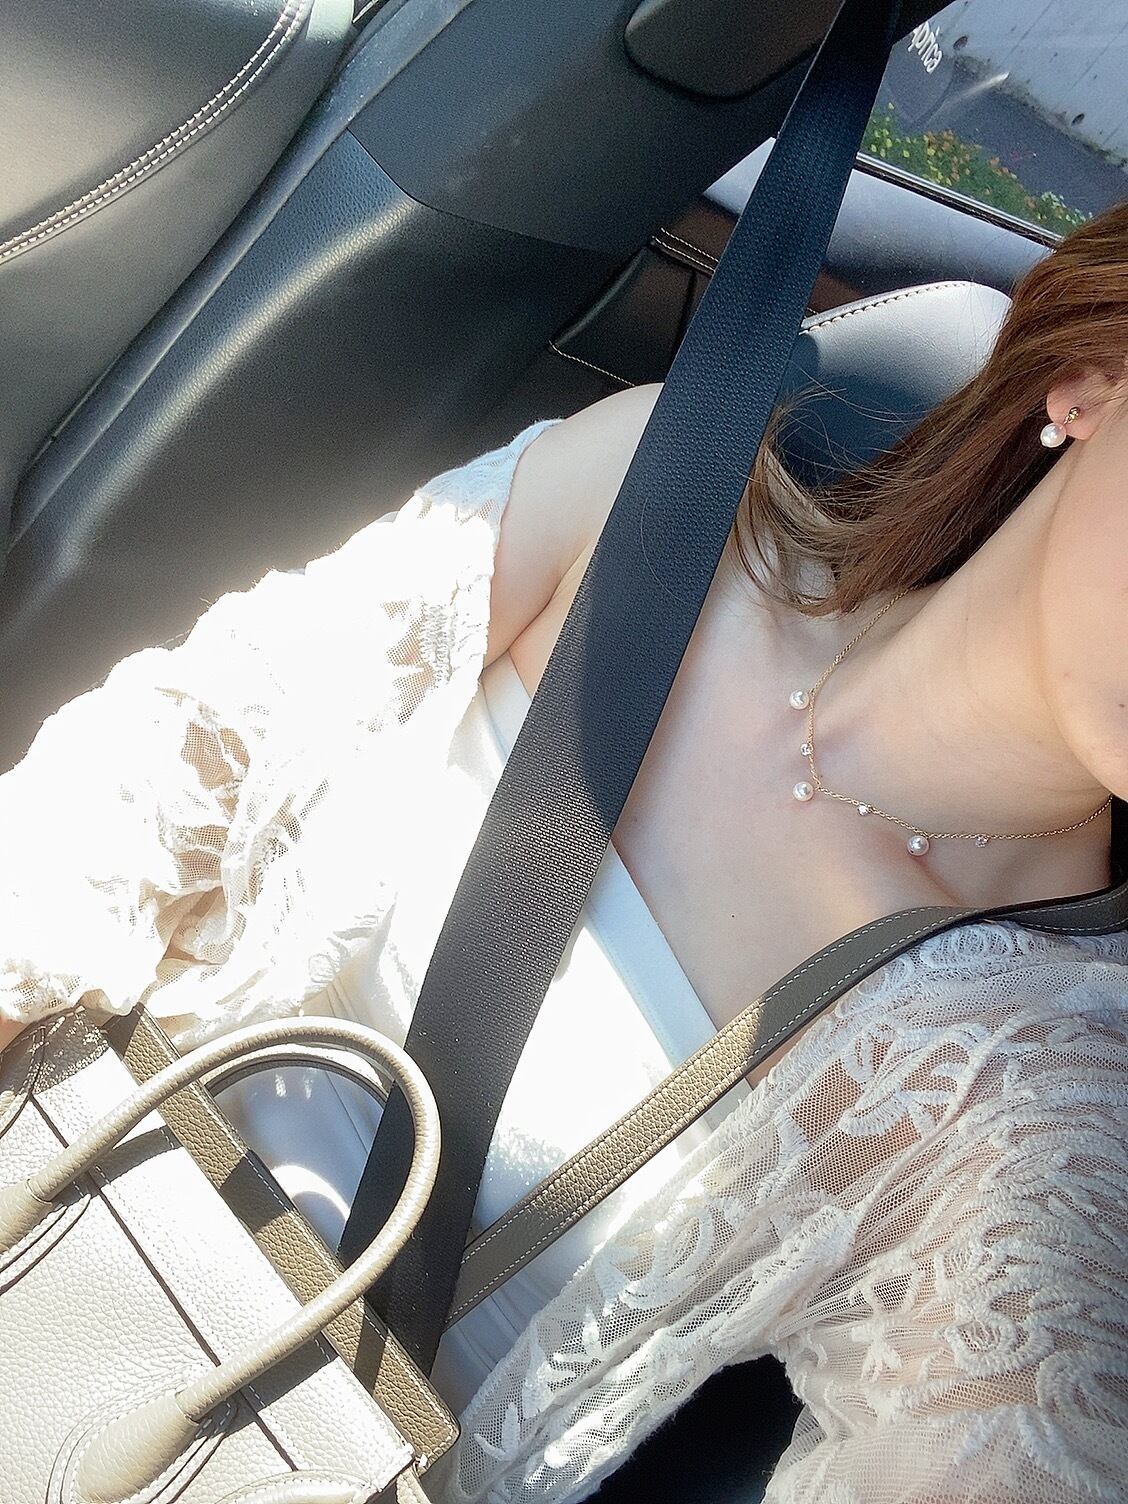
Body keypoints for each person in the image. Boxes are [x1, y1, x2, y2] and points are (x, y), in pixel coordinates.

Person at [2, 202, 1127, 1504]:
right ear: (1092, 380)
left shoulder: (1053, 1078)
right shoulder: (653, 500)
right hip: (50, 1184)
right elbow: (159, 772)